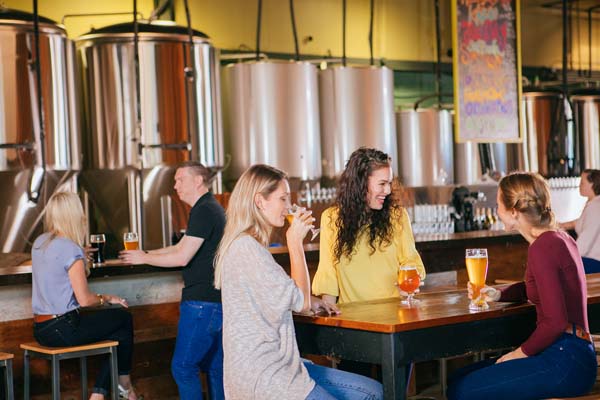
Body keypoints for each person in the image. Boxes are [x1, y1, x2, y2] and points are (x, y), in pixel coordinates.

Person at [213, 164, 383, 400]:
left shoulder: (246, 246)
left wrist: (311, 300)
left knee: (373, 391)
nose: (289, 207)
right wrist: (295, 242)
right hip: (266, 377)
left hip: (281, 365)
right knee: (370, 394)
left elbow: (288, 296)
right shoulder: (246, 249)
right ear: (260, 201)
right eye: (283, 199)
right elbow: (300, 303)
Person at [447, 172, 597, 400]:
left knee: (461, 390)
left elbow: (555, 322)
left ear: (514, 211)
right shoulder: (558, 238)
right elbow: (540, 288)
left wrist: (519, 353)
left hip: (565, 360)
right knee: (459, 378)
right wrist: (498, 293)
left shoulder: (542, 247)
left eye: (498, 204)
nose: (496, 210)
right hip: (572, 353)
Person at [120, 161, 226, 400]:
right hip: (216, 301)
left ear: (198, 180)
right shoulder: (209, 208)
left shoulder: (204, 209)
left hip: (201, 303)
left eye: (180, 179)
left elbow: (182, 257)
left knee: (183, 368)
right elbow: (181, 246)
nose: (175, 185)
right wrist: (144, 255)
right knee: (215, 369)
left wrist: (144, 257)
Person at [31, 192, 138, 400]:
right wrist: (107, 298)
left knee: (115, 330)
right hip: (64, 328)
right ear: (76, 216)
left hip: (41, 330)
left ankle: (107, 391)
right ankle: (116, 387)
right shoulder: (71, 249)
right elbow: (85, 300)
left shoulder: (39, 243)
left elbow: (55, 263)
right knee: (123, 319)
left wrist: (79, 254)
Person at [312, 147, 425, 305]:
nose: (387, 190)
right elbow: (328, 276)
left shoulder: (397, 216)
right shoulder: (332, 218)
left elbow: (411, 261)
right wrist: (328, 319)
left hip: (395, 315)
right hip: (353, 319)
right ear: (361, 183)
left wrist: (409, 284)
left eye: (389, 183)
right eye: (382, 184)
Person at [559, 169, 600, 273]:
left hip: (593, 262)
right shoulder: (594, 204)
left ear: (593, 184)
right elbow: (579, 223)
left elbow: (585, 241)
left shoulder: (595, 207)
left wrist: (568, 256)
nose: (579, 186)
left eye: (582, 182)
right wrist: (559, 225)